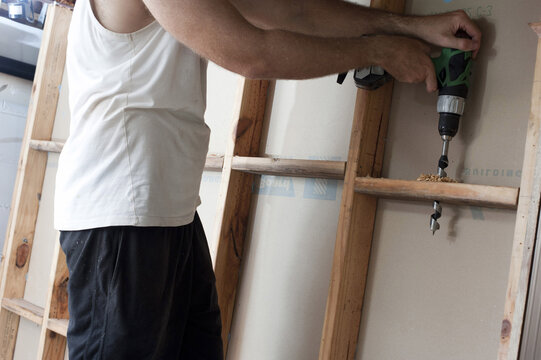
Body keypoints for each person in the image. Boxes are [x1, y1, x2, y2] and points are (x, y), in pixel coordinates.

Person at [54, 0, 481, 359]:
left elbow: (293, 12)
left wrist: (410, 26)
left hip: (168, 214)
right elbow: (252, 54)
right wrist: (379, 51)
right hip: (120, 216)